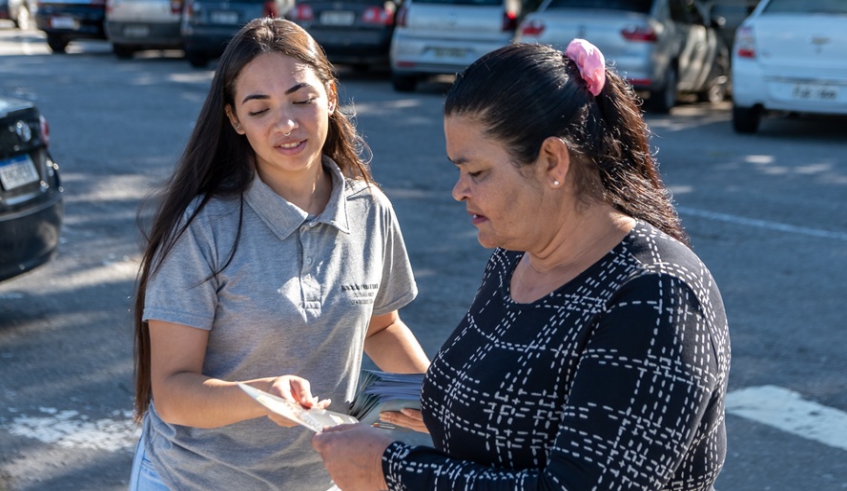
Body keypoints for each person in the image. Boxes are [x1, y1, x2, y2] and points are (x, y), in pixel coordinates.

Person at [312, 40, 731, 491]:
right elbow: (519, 401)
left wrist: (392, 471)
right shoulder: (515, 258)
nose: (459, 190)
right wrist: (388, 400)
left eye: (476, 172)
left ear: (552, 160)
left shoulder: (656, 298)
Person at [128, 17, 430, 491]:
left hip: (320, 479)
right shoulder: (203, 227)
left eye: (301, 99)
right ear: (234, 120)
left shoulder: (370, 210)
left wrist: (437, 398)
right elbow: (171, 393)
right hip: (192, 481)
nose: (286, 124)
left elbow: (382, 325)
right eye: (259, 109)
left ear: (330, 95)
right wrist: (259, 396)